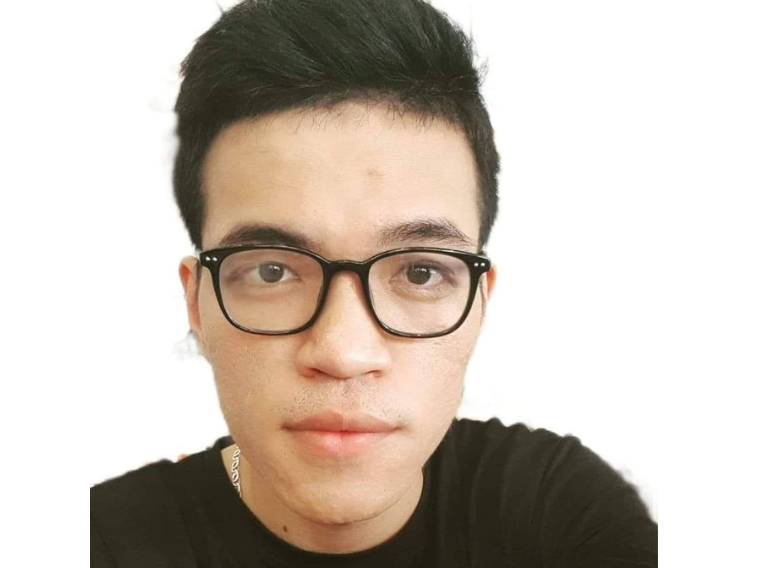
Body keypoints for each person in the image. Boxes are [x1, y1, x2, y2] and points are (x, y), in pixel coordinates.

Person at [90, 1, 658, 566]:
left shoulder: (553, 507)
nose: (344, 353)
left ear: (479, 303)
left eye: (420, 272)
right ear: (197, 301)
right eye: (272, 270)